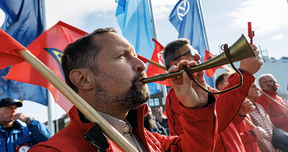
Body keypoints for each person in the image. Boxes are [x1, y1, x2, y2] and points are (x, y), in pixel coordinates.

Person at [29, 28, 217, 152]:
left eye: (135, 55)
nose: (142, 65)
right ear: (83, 79)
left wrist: (198, 107)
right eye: (122, 56)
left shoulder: (150, 140)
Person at [163, 38, 263, 151]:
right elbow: (214, 122)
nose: (198, 56)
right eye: (191, 54)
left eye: (196, 52)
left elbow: (221, 127)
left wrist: (240, 114)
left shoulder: (205, 88)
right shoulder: (178, 94)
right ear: (175, 63)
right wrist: (244, 74)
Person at [217, 75, 267, 152]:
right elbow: (226, 140)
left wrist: (241, 114)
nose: (238, 85)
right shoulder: (220, 109)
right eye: (231, 83)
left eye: (238, 82)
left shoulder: (243, 106)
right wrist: (252, 135)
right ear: (221, 88)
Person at [247, 80, 281, 152]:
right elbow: (259, 139)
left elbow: (272, 128)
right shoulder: (246, 112)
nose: (258, 89)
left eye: (256, 86)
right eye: (253, 87)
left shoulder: (259, 107)